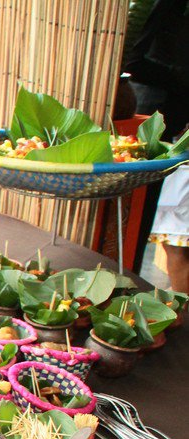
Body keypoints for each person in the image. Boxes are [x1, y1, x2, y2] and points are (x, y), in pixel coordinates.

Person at [123, 0, 189, 292]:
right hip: (157, 137)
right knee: (163, 234)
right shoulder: (165, 9)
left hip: (174, 134)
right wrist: (181, 82)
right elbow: (133, 62)